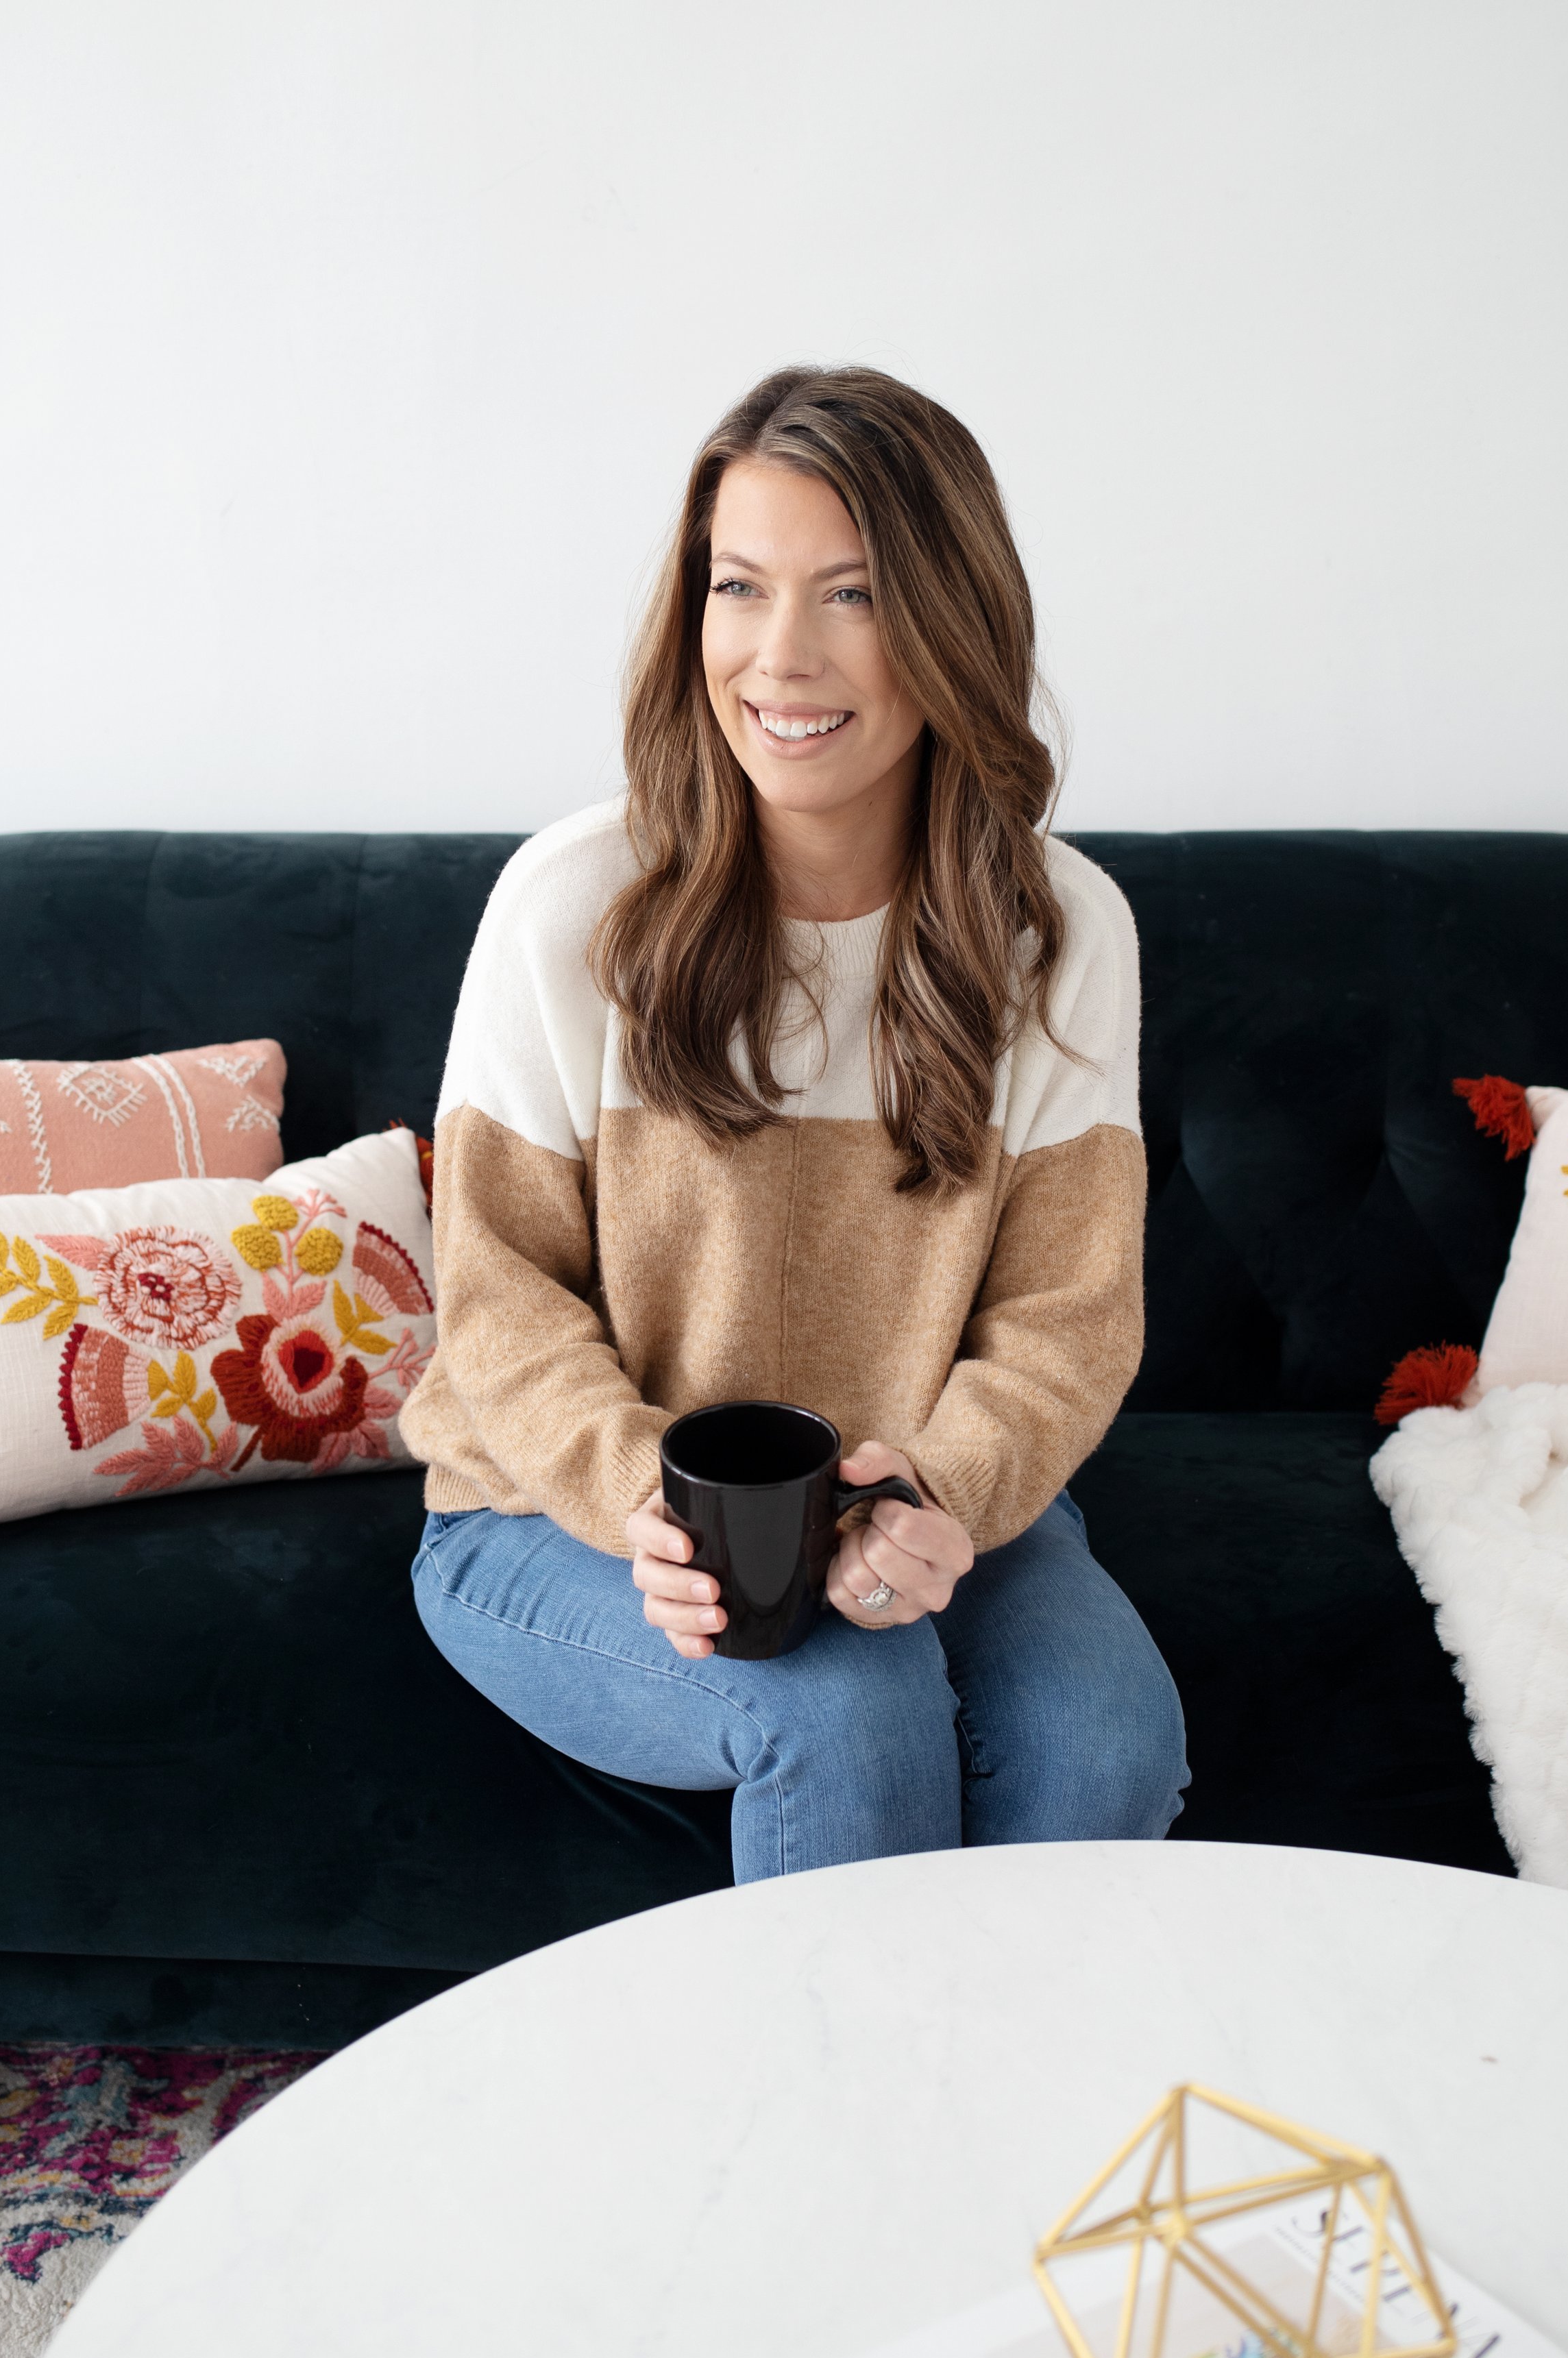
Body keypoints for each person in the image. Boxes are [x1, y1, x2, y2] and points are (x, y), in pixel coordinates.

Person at [404, 365, 1187, 1882]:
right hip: (554, 1516)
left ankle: (1009, 2099)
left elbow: (1064, 1320)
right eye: (738, 587)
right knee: (844, 1702)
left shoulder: (1060, 931)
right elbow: (498, 1301)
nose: (778, 655)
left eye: (851, 595)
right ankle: (846, 2116)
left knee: (1105, 1741)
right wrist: (648, 1500)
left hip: (906, 1493)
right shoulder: (574, 906)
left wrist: (935, 1496)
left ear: (951, 623)